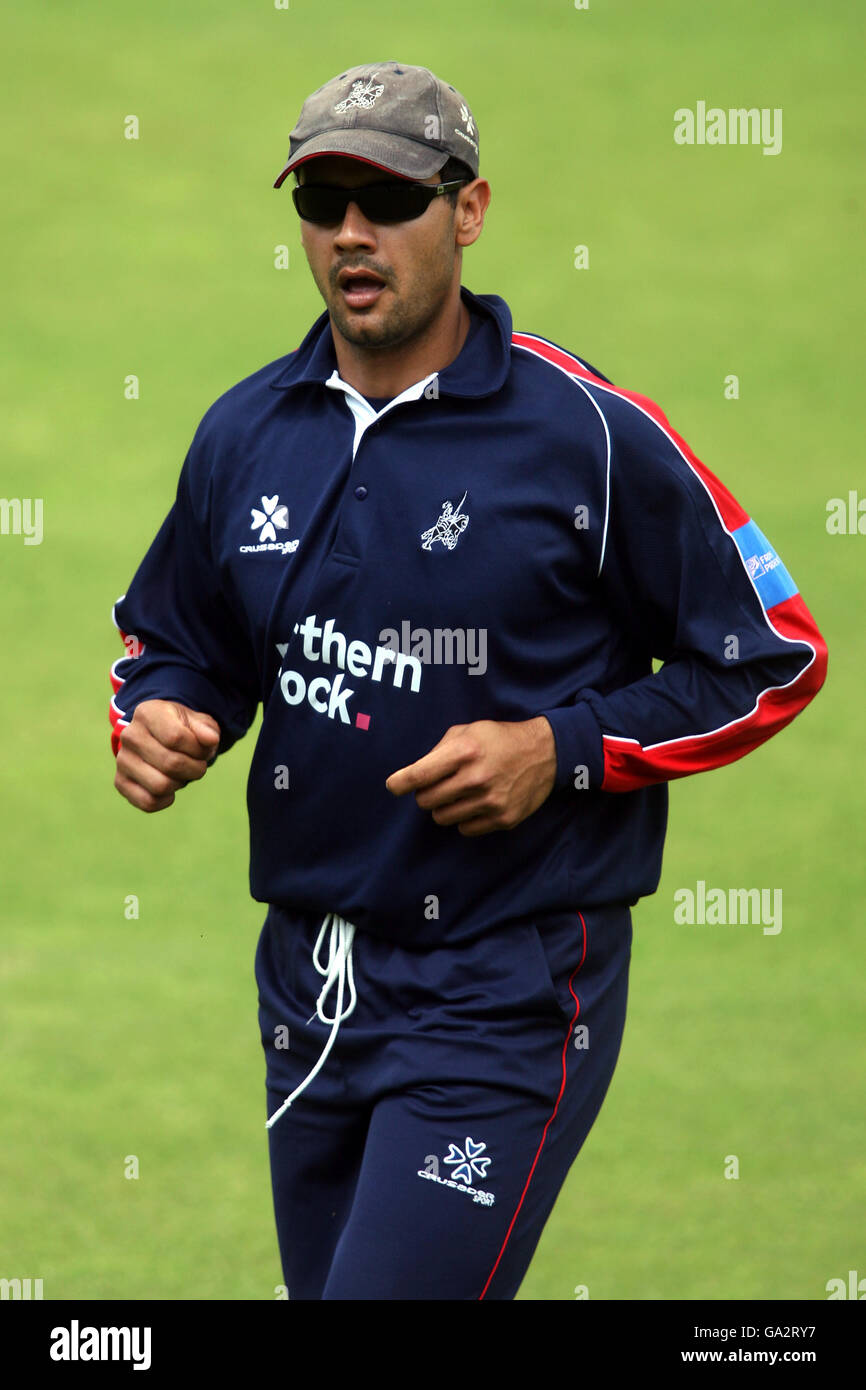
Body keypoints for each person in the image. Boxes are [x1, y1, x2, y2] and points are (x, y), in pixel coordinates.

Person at [109, 60, 827, 1300]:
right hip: (306, 981)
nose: (348, 232)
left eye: (385, 197)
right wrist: (164, 714)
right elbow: (181, 637)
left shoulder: (585, 435)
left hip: (504, 988)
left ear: (467, 210)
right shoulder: (247, 429)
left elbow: (772, 656)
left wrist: (562, 748)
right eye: (321, 199)